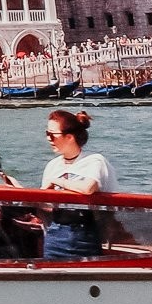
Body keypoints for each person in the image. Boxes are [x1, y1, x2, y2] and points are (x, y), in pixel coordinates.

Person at [41, 109, 116, 260]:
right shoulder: (52, 166)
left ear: (69, 137)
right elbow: (45, 205)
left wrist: (58, 181)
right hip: (55, 234)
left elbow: (88, 188)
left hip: (85, 233)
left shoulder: (94, 161)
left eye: (52, 135)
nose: (48, 139)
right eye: (46, 133)